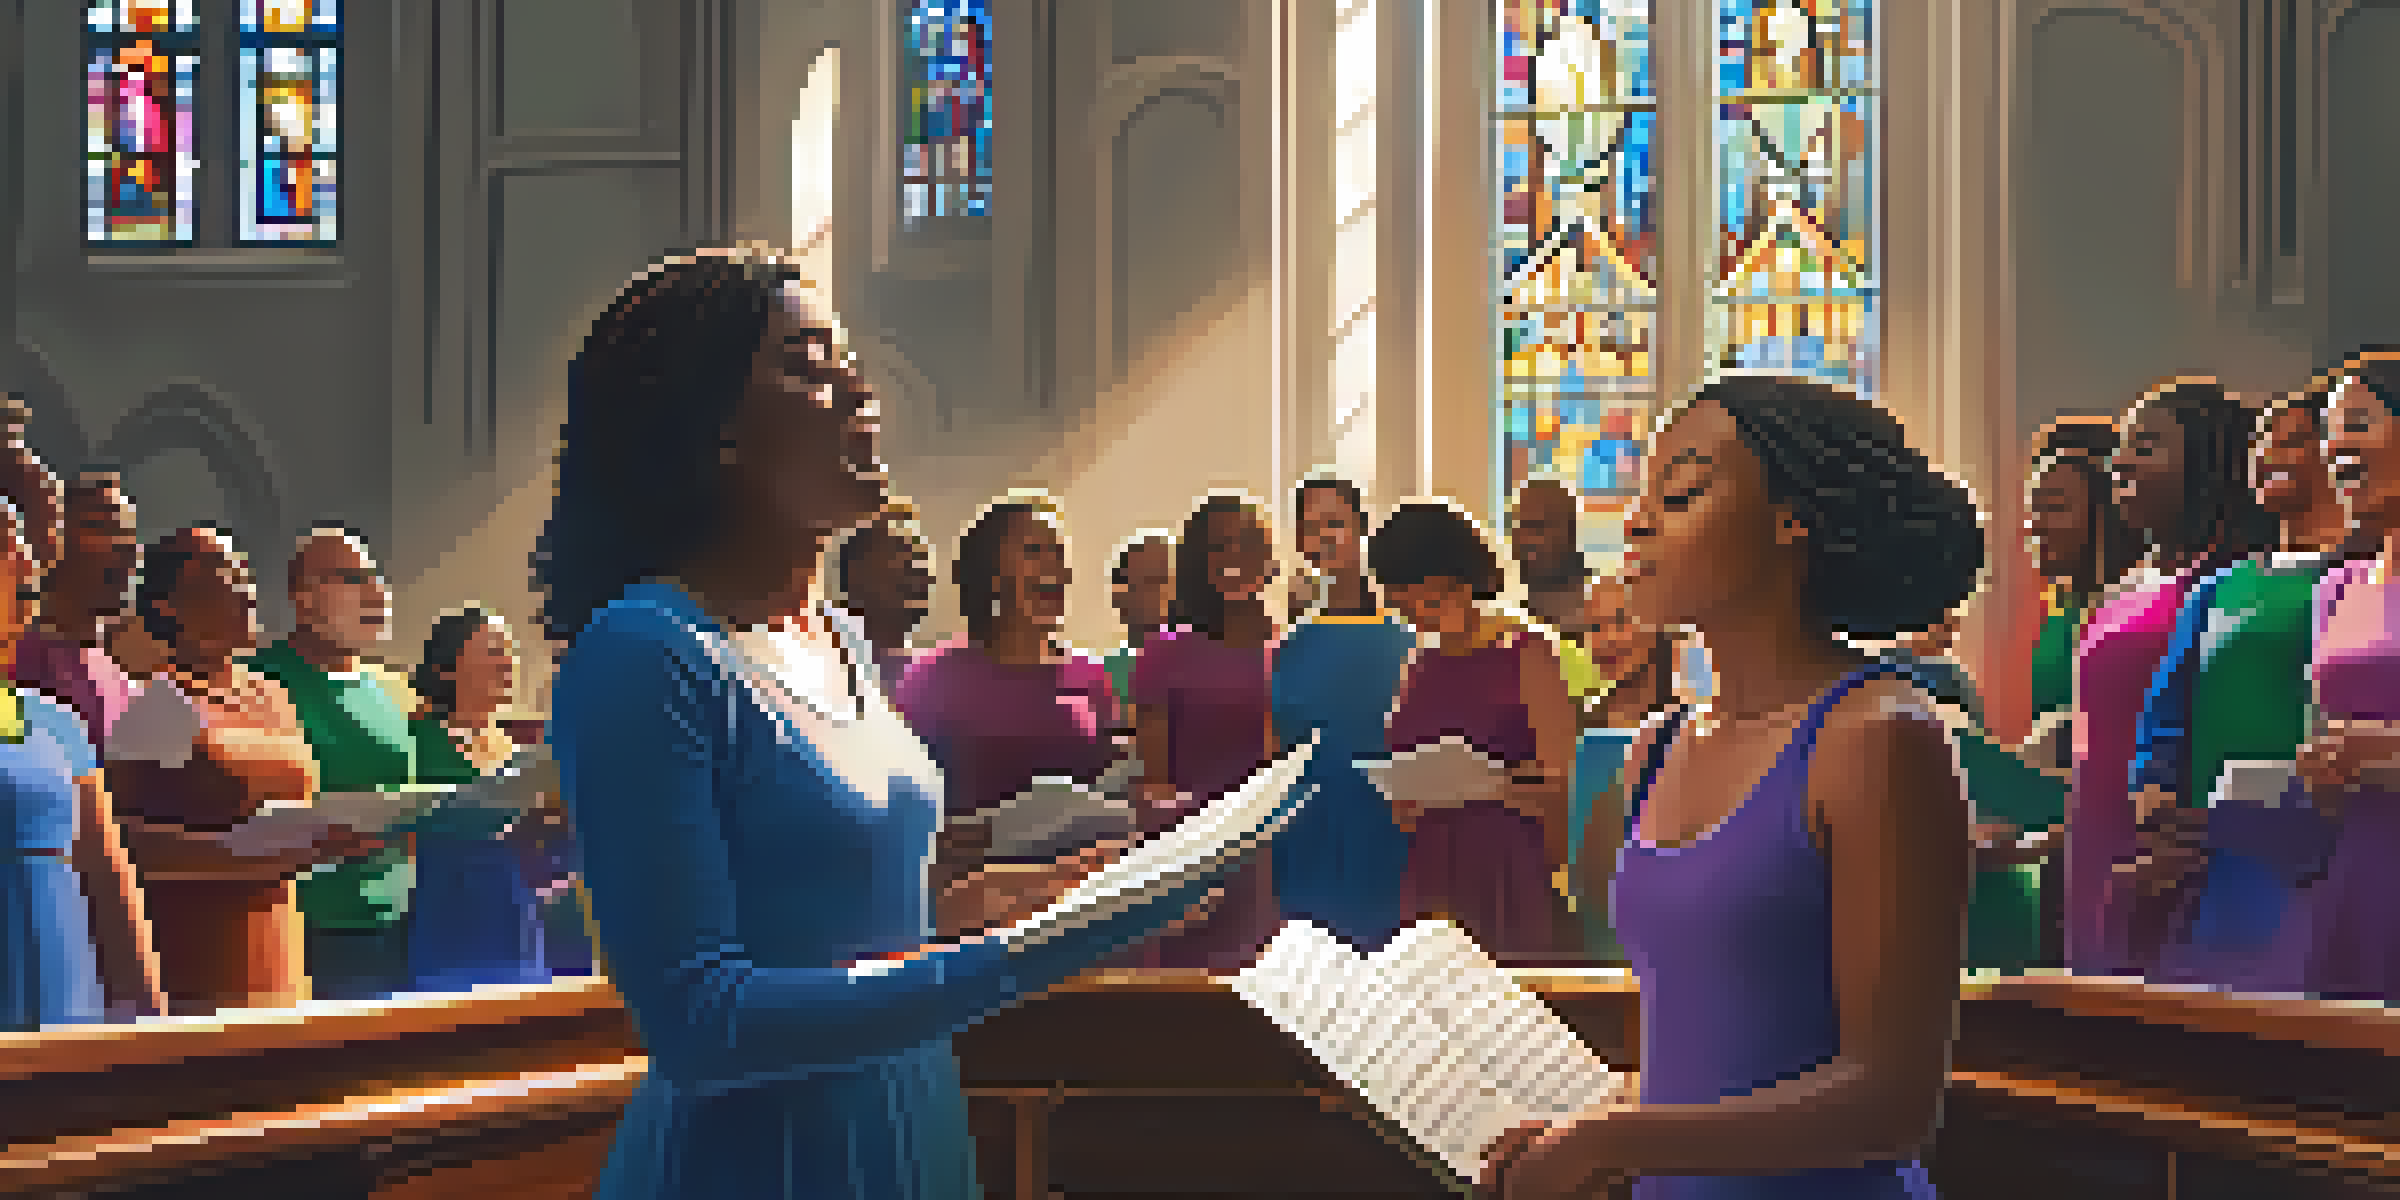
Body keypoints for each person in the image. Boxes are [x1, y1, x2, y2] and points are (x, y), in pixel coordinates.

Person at [539, 246, 1219, 1198]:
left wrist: (1000, 900)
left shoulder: (842, 641)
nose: (859, 386)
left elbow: (839, 911)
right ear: (718, 428)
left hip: (907, 1123)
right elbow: (700, 1019)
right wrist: (1021, 959)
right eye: (811, 366)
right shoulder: (646, 652)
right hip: (759, 1160)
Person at [1483, 374, 1978, 1200]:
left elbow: (1892, 1103)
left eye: (1679, 494)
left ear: (1791, 522)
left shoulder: (1878, 739)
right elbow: (1702, 1051)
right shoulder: (1656, 749)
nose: (1638, 523)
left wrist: (1614, 1141)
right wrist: (1592, 1121)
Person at [2130, 387, 2362, 988]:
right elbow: (2169, 701)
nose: (2270, 453)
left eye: (2293, 439)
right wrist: (2155, 792)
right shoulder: (2221, 585)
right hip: (2215, 855)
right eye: (2261, 440)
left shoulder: (2354, 578)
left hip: (2321, 846)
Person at [107, 527, 380, 1015]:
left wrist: (335, 838)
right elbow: (121, 840)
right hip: (201, 953)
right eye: (222, 580)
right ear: (170, 606)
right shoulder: (159, 705)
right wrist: (233, 854)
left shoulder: (272, 697)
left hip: (281, 941)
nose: (245, 593)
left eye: (245, 577)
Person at [2073, 379, 2270, 975]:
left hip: (2170, 833)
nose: (2121, 461)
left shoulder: (2234, 585)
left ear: (2208, 461)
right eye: (2124, 446)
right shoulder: (2125, 583)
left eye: (2149, 444)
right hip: (2095, 826)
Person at [1372, 500, 1575, 959]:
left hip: (1504, 860)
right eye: (1402, 604)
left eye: (1423, 598)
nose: (1415, 615)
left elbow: (1566, 786)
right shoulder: (1419, 664)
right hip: (1432, 866)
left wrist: (1494, 786)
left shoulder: (1524, 653)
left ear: (1457, 579)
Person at [890, 493, 1119, 881]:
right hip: (976, 905)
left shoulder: (1091, 676)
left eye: (1057, 552)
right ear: (992, 575)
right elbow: (902, 807)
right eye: (1034, 551)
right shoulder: (931, 678)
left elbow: (1105, 787)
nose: (1054, 567)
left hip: (1083, 898)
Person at [0, 495, 162, 1028]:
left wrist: (146, 1010)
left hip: (63, 992)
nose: (25, 562)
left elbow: (109, 877)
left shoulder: (52, 719)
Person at [249, 525, 421, 1002]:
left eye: (375, 576)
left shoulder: (390, 688)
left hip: (399, 918)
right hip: (308, 922)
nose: (374, 591)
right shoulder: (259, 680)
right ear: (302, 598)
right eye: (351, 578)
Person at [2281, 350, 2400, 999]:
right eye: (2329, 430)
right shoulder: (2337, 589)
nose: (2335, 446)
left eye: (2358, 422)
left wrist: (2384, 757)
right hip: (2349, 881)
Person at [1131, 492, 1285, 969]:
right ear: (1198, 561)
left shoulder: (1289, 644)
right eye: (1220, 547)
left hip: (1277, 851)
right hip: (1196, 851)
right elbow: (1154, 780)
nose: (1235, 559)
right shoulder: (1166, 651)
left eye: (1247, 544)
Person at [1269, 472, 1414, 951]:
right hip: (1306, 826)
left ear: (1360, 528)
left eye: (1336, 523)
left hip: (1383, 825)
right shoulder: (1290, 644)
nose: (1324, 537)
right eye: (1312, 527)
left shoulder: (1405, 637)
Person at [404, 606, 554, 992]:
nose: (507, 662)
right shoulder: (417, 739)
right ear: (447, 668)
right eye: (492, 650)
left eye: (509, 651)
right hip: (447, 916)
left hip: (515, 916)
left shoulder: (515, 747)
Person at [1566, 576, 1677, 961]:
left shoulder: (1692, 724)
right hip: (1590, 928)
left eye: (1622, 621)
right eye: (1595, 627)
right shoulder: (1577, 721)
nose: (1607, 640)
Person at [2021, 426, 2134, 752]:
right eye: (2034, 510)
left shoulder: (2134, 613)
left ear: (2107, 515)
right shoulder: (2062, 611)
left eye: (2055, 507)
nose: (2036, 525)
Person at [13, 469, 144, 746]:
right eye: (105, 529)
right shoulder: (12, 665)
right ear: (51, 542)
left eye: (130, 536)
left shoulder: (126, 686)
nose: (127, 549)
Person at [835, 500, 935, 694]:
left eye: (922, 561)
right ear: (858, 573)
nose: (923, 577)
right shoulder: (813, 665)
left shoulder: (929, 683)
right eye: (905, 556)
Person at [1102, 530, 1174, 717]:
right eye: (1152, 581)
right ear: (1119, 596)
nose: (1166, 593)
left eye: (1167, 581)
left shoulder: (1203, 668)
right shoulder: (1104, 678)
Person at [1510, 473, 1591, 638]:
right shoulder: (1508, 596)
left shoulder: (1593, 610)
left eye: (1539, 527)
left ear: (1570, 533)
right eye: (1521, 526)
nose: (1524, 538)